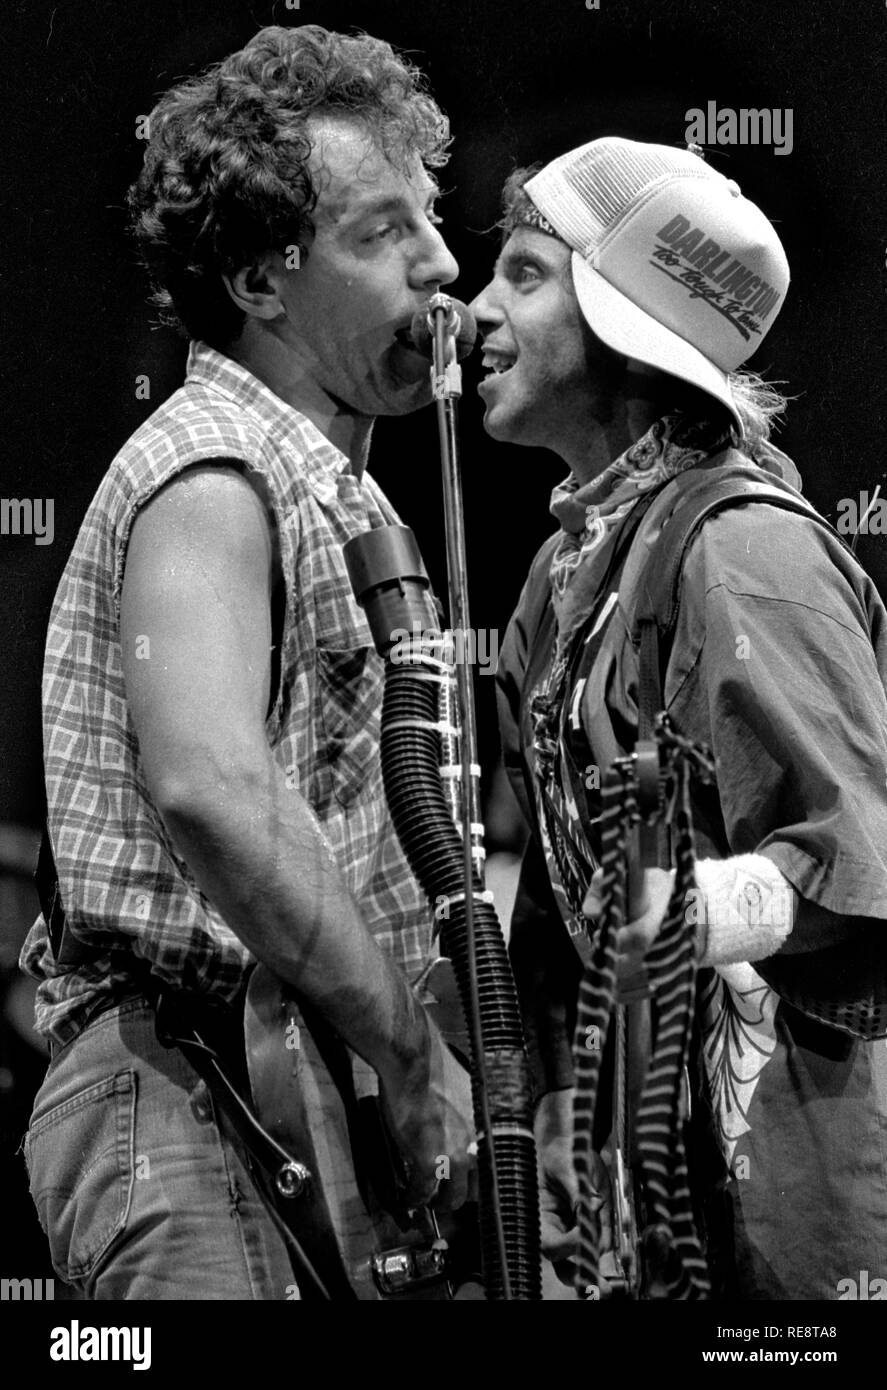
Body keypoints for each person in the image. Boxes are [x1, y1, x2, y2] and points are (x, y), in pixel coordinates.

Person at [20, 23, 474, 1300]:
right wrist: (405, 1043)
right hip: (186, 1092)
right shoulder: (211, 465)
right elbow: (209, 782)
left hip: (279, 1091)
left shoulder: (323, 485)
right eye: (382, 233)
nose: (441, 264)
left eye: (428, 218)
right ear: (262, 281)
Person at [471, 136, 887, 1299]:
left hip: (790, 1221)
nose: (474, 311)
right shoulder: (556, 584)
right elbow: (555, 921)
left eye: (522, 273)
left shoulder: (742, 551)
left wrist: (665, 906)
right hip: (636, 1227)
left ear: (619, 314)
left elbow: (853, 858)